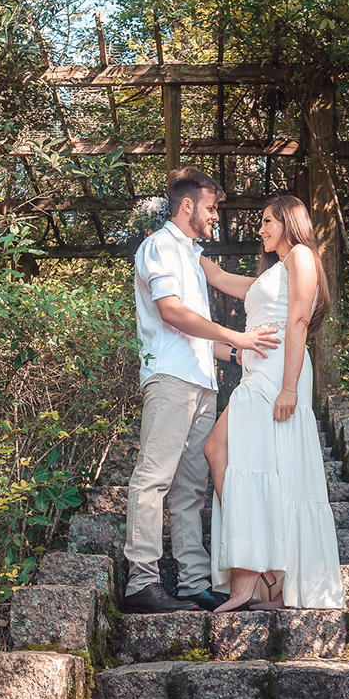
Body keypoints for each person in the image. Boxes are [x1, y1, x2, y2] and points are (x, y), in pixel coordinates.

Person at [121, 168, 282, 614]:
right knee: (153, 479)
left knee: (191, 488)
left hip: (202, 383)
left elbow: (197, 336)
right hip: (170, 380)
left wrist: (244, 356)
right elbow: (171, 313)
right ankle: (141, 582)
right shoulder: (158, 247)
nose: (215, 218)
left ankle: (193, 582)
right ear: (187, 205)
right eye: (211, 208)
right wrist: (238, 336)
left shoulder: (192, 258)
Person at [202, 195, 346, 612]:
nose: (261, 229)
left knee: (223, 450)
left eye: (267, 221)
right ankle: (268, 577)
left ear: (288, 221)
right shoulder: (273, 272)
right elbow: (222, 278)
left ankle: (254, 577)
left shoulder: (301, 255)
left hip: (279, 374)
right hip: (258, 373)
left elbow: (298, 320)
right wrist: (186, 248)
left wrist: (289, 388)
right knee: (249, 461)